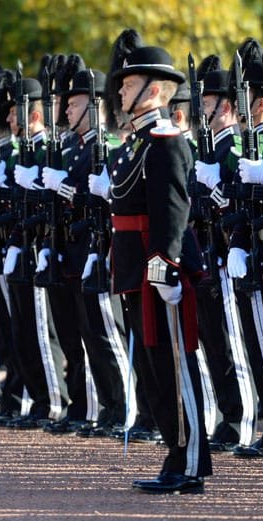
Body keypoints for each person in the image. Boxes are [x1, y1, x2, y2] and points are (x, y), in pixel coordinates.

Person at [90, 44, 212, 492]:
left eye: (128, 84)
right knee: (152, 368)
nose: (119, 92)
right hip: (132, 269)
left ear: (155, 90)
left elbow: (172, 212)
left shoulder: (166, 143)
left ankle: (191, 462)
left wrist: (165, 268)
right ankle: (174, 454)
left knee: (175, 365)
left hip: (158, 270)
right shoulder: (133, 146)